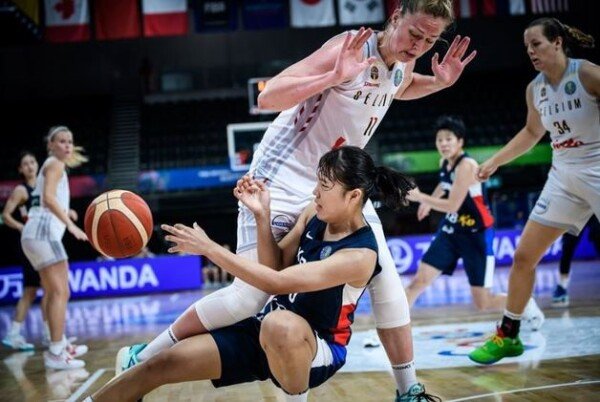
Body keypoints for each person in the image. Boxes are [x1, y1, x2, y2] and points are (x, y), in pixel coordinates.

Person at [118, 1, 475, 399]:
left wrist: (438, 83)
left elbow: (400, 87)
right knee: (251, 294)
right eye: (414, 34)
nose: (418, 46)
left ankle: (409, 391)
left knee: (385, 277)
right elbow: (270, 96)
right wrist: (331, 76)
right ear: (394, 18)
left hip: (339, 181)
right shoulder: (349, 47)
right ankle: (143, 355)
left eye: (430, 40)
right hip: (284, 178)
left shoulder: (404, 63)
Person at [86, 146, 422, 402]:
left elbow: (275, 283)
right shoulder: (313, 214)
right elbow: (273, 266)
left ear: (353, 196)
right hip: (263, 332)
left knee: (281, 325)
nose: (315, 193)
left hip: (315, 347)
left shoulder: (360, 255)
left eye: (324, 186)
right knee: (162, 363)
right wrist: (263, 217)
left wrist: (211, 249)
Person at [469, 18, 598, 365]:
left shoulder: (586, 74)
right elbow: (531, 132)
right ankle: (509, 335)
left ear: (557, 43)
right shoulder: (535, 89)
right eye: (527, 47)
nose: (530, 51)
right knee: (524, 257)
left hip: (597, 168)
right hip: (563, 176)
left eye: (536, 44)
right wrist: (495, 160)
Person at [404, 116, 544, 320]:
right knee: (418, 283)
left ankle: (525, 303)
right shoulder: (444, 162)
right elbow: (444, 184)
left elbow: (453, 204)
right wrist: (429, 201)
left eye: (448, 139)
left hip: (476, 236)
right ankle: (391, 332)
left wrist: (420, 197)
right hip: (450, 232)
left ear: (460, 141)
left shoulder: (467, 165)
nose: (443, 143)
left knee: (483, 302)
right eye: (439, 140)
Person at [20, 126, 90, 369]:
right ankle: (56, 352)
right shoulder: (55, 164)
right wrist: (71, 224)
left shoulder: (52, 165)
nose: (67, 145)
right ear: (50, 144)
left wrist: (66, 210)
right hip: (43, 233)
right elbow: (49, 198)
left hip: (35, 234)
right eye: (61, 141)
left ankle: (56, 342)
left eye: (70, 141)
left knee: (52, 292)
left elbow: (48, 198)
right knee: (62, 292)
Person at [2, 152, 45, 350]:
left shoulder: (43, 186)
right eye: (25, 164)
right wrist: (21, 227)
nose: (29, 166)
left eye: (32, 162)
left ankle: (49, 334)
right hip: (31, 246)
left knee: (43, 290)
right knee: (33, 290)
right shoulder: (22, 190)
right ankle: (17, 333)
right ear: (20, 169)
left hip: (43, 242)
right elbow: (5, 215)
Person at [552, 216, 600, 307]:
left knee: (598, 234)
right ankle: (562, 286)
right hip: (577, 209)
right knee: (568, 245)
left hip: (595, 208)